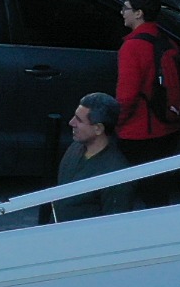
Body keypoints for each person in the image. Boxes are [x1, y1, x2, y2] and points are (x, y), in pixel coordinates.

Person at [114, 0, 180, 171]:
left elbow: (127, 97)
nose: (122, 12)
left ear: (139, 13)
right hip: (168, 127)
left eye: (126, 8)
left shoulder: (132, 47)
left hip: (138, 132)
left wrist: (116, 123)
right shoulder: (168, 42)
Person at [52, 93, 137, 222]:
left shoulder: (116, 176)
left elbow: (114, 227)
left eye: (79, 120)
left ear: (98, 129)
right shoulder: (75, 147)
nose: (71, 123)